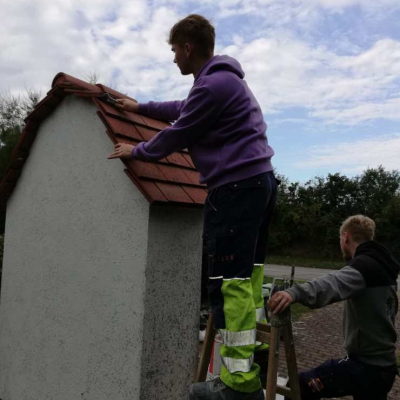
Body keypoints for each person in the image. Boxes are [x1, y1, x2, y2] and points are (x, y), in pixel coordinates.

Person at [108, 14, 277, 400]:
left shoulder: (213, 86)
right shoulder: (223, 81)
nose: (172, 59)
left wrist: (137, 150)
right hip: (259, 183)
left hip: (234, 188)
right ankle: (255, 358)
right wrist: (141, 106)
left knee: (228, 285)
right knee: (248, 278)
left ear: (187, 47)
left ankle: (238, 383)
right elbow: (181, 107)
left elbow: (179, 131)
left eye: (173, 50)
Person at [269, 215, 399, 400]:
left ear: (345, 237)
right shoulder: (385, 267)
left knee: (299, 386)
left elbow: (333, 282)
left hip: (365, 367)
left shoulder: (364, 267)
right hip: (384, 367)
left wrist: (295, 292)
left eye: (340, 239)